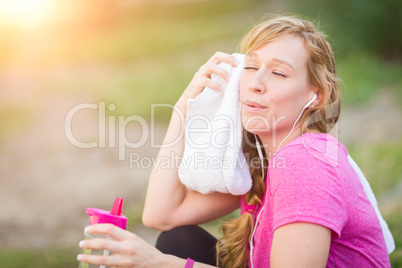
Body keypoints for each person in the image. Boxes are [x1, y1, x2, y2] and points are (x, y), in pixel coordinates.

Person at [77, 15, 391, 267]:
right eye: (251, 67)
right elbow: (161, 215)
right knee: (179, 240)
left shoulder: (306, 162)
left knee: (171, 254)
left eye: (278, 73)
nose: (254, 83)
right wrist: (184, 108)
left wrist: (158, 264)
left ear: (315, 96)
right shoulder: (262, 165)